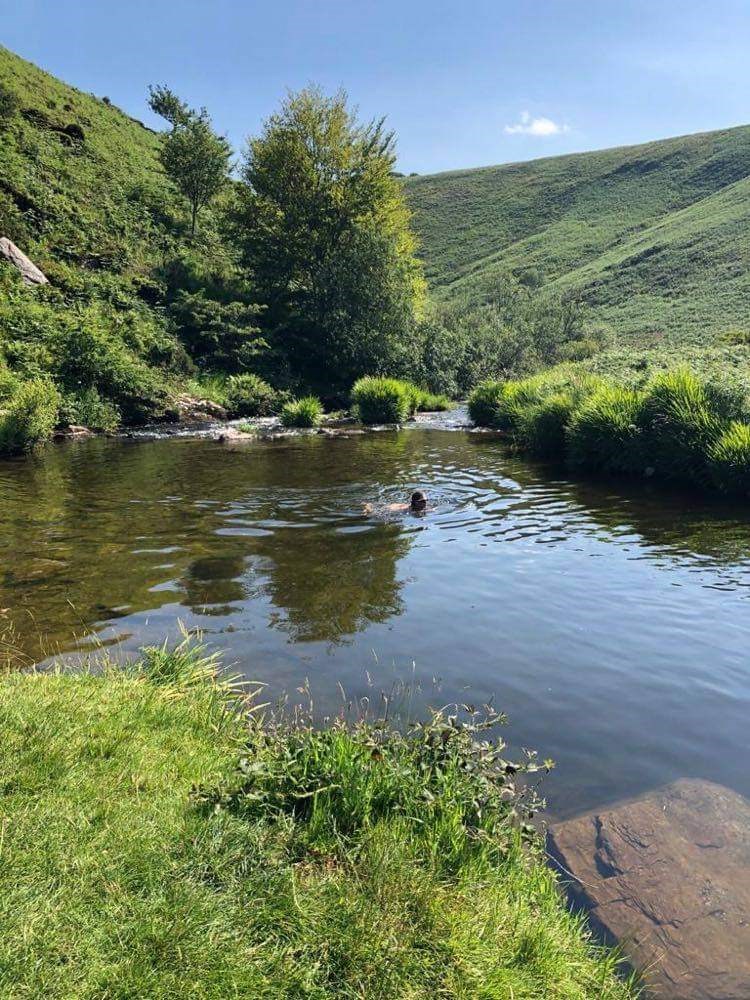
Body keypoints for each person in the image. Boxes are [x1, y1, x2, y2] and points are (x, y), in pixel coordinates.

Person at [364, 490, 428, 515]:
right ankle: (367, 504)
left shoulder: (421, 507)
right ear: (415, 502)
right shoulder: (397, 509)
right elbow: (377, 512)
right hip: (391, 508)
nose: (425, 503)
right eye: (423, 501)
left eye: (425, 501)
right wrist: (368, 509)